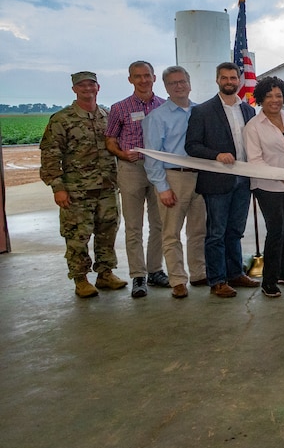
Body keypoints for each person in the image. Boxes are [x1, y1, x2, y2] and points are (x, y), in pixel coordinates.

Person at [39, 71, 125, 297]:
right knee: (77, 235)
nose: (87, 89)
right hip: (76, 190)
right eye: (82, 85)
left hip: (106, 187)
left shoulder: (107, 116)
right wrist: (58, 187)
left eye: (91, 85)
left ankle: (105, 273)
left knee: (108, 231)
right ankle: (80, 278)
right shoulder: (62, 119)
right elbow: (50, 155)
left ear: (98, 88)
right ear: (74, 89)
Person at [185, 62, 257, 298]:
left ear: (239, 80)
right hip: (216, 181)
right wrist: (216, 155)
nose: (229, 82)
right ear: (217, 80)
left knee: (235, 231)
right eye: (224, 78)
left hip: (243, 180)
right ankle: (217, 279)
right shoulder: (202, 111)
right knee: (216, 233)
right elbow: (192, 146)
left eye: (233, 78)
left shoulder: (248, 110)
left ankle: (235, 273)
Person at [142, 65, 206, 299]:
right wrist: (162, 187)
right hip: (174, 178)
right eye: (173, 83)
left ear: (189, 83)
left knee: (199, 230)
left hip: (200, 177)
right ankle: (178, 279)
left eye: (182, 81)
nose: (179, 86)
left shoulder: (201, 111)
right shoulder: (156, 117)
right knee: (171, 232)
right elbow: (152, 155)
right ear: (166, 87)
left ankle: (199, 273)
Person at [105, 60, 166, 298]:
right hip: (132, 169)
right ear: (130, 79)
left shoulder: (164, 106)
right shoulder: (119, 108)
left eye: (147, 75)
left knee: (159, 223)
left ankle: (155, 270)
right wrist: (121, 154)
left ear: (154, 77)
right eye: (137, 76)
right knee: (134, 226)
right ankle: (138, 275)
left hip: (159, 169)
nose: (143, 80)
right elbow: (109, 139)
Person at [245, 76, 284, 298]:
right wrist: (282, 177)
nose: (274, 100)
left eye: (279, 95)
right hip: (267, 186)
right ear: (261, 98)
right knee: (276, 230)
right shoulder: (253, 127)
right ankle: (268, 280)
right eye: (269, 95)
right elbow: (255, 161)